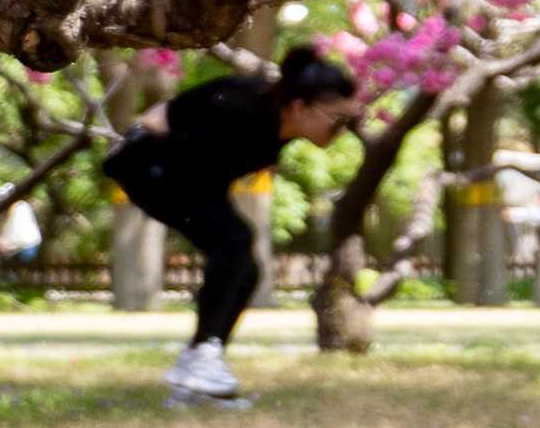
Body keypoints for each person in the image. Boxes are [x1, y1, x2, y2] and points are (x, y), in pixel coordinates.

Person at [102, 46, 363, 405]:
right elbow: (162, 125)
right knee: (235, 241)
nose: (342, 131)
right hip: (150, 164)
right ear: (300, 106)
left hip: (185, 173)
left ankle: (199, 369)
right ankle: (201, 359)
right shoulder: (243, 106)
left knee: (246, 269)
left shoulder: (279, 128)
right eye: (338, 120)